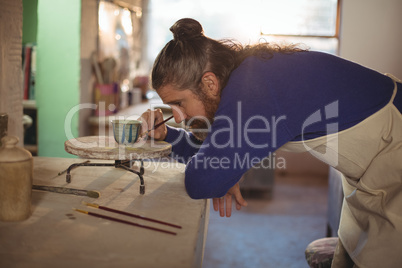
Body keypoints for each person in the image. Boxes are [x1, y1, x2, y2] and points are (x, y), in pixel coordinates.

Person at [140, 18, 402, 267]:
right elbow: (208, 155)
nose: (175, 116)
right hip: (374, 165)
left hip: (393, 149)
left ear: (209, 82)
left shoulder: (253, 90)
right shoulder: (242, 76)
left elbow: (201, 181)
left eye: (178, 103)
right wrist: (170, 137)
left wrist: (222, 170)